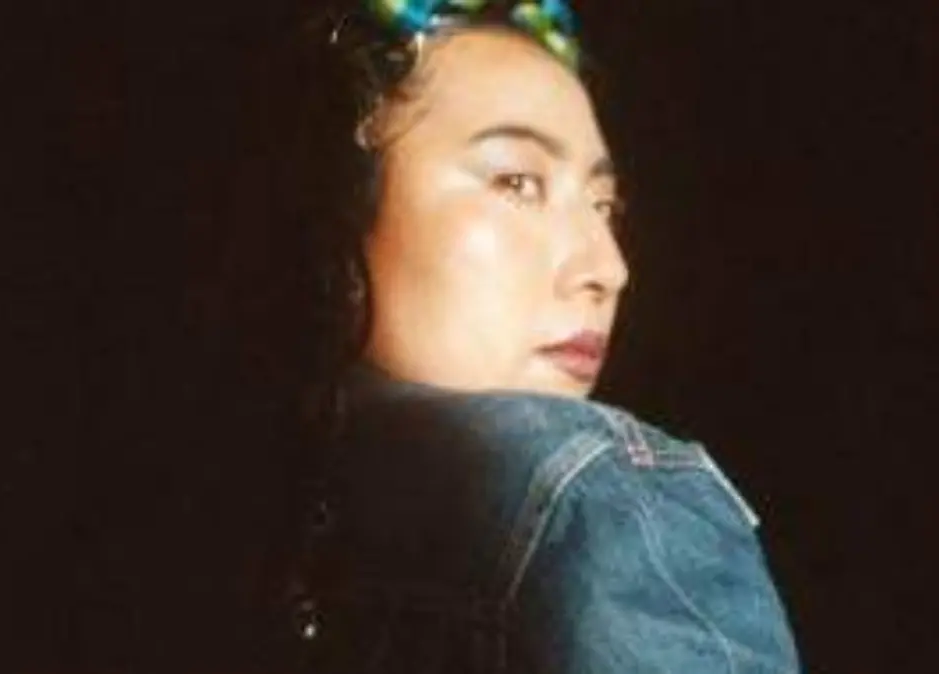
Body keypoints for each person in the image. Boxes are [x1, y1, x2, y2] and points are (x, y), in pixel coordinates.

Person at [222, 1, 802, 671]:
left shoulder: (222, 502)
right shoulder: (589, 498)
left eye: (605, 207)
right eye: (517, 182)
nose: (609, 269)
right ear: (338, 209)